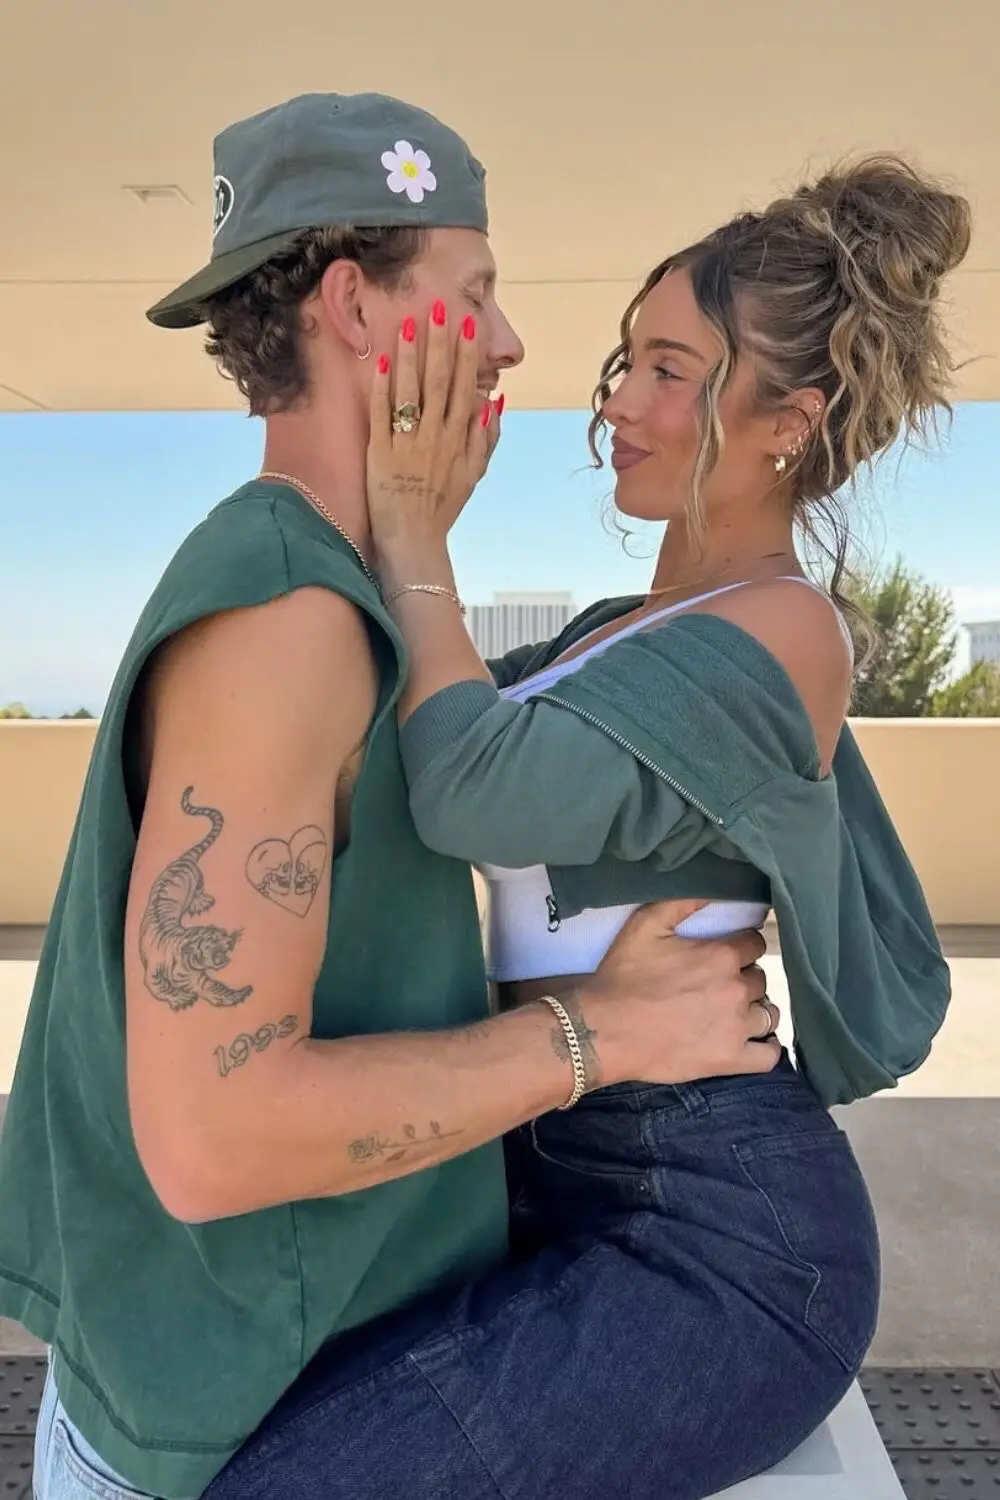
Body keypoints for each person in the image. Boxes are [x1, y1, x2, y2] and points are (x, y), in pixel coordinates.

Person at [2, 94, 782, 1500]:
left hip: (263, 1380)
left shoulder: (325, 582)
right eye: (474, 293)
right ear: (357, 306)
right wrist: (605, 1033)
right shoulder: (290, 615)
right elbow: (215, 1137)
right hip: (245, 1423)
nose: (510, 341)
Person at [200, 156, 960, 1500]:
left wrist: (414, 529)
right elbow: (403, 740)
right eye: (625, 362)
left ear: (788, 420)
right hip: (542, 1158)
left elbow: (472, 788)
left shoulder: (786, 633)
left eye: (672, 370)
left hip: (719, 1233)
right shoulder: (616, 635)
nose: (617, 401)